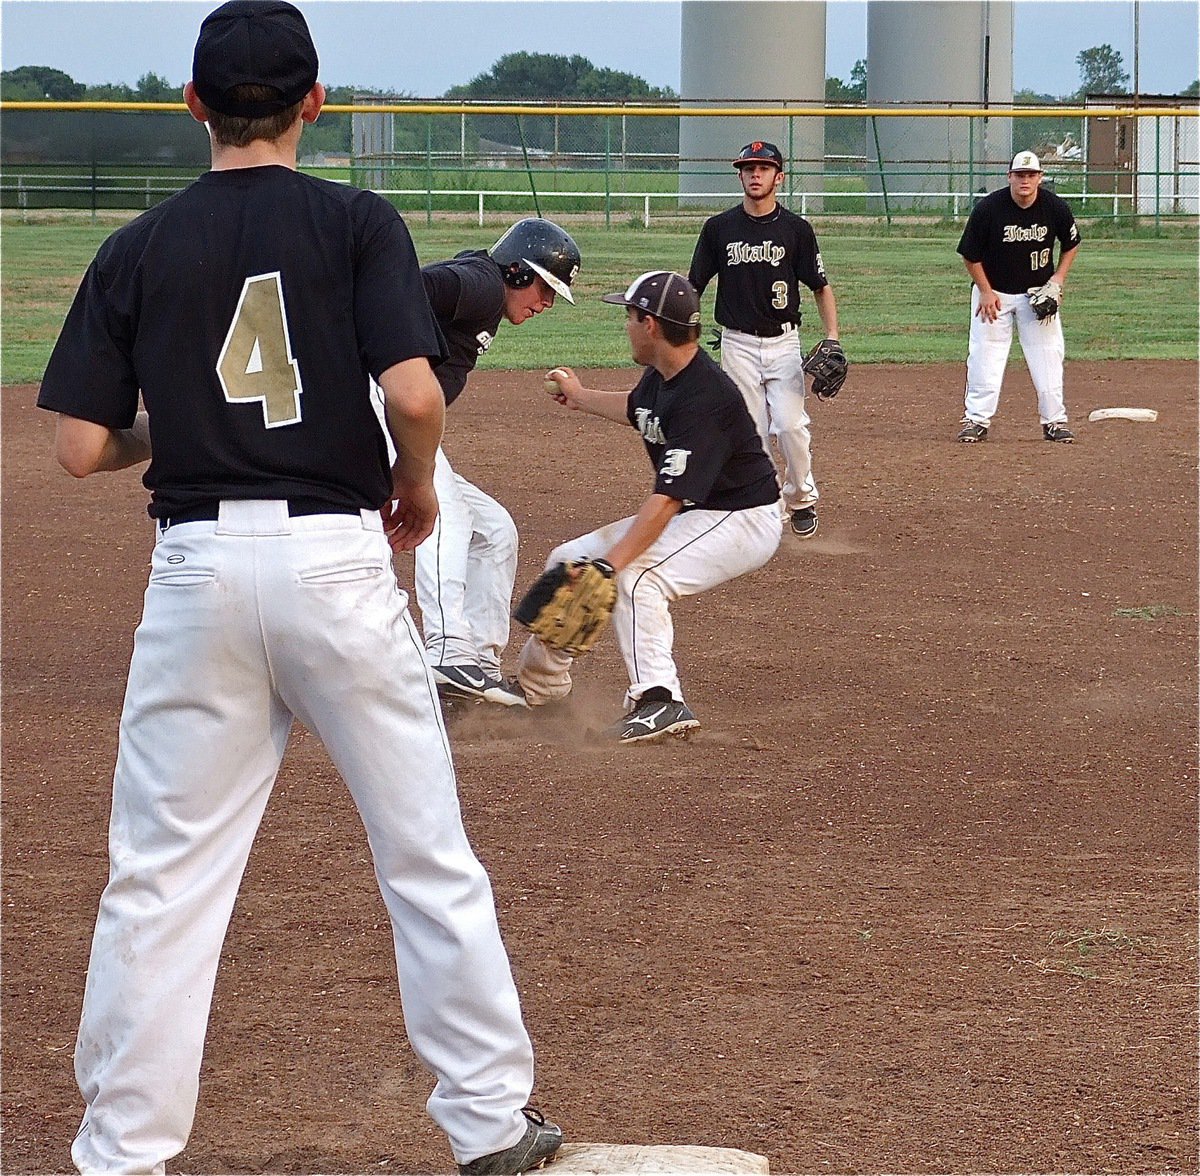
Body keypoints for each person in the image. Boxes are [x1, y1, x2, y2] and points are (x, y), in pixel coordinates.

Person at [36, 3, 561, 1173]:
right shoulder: (357, 221)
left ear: (192, 107)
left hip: (196, 566)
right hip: (334, 559)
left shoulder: (137, 245)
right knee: (423, 850)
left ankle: (122, 1150)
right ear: (315, 104)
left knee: (161, 879)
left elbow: (80, 446)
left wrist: (159, 435)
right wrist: (416, 493)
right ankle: (485, 1120)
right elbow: (417, 397)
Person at [519, 271, 782, 744]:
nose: (626, 324)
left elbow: (665, 502)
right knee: (567, 559)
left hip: (743, 518)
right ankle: (543, 691)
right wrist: (579, 397)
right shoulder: (665, 376)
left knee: (635, 575)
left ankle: (659, 699)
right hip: (702, 510)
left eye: (629, 315)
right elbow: (639, 409)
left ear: (651, 324)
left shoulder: (706, 396)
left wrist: (608, 565)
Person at [408, 219, 581, 709]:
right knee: (449, 515)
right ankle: (445, 648)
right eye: (545, 289)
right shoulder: (483, 284)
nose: (545, 304)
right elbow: (413, 285)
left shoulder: (485, 288)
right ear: (519, 273)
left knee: (495, 531)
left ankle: (478, 664)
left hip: (404, 419)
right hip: (384, 408)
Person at [688, 140, 842, 540]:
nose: (755, 175)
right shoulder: (718, 228)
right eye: (748, 168)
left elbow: (821, 287)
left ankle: (801, 498)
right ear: (739, 175)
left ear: (779, 177)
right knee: (751, 433)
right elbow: (694, 286)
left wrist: (832, 338)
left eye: (764, 168)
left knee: (791, 427)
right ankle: (765, 508)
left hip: (783, 344)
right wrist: (682, 336)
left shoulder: (796, 230)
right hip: (737, 344)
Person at [955, 150, 1082, 443]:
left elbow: (1072, 242)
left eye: (1031, 175)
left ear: (1040, 177)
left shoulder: (1055, 207)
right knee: (985, 358)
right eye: (1020, 174)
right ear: (1009, 176)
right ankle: (976, 421)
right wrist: (985, 291)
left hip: (1036, 297)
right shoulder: (989, 209)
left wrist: (1058, 279)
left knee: (1048, 357)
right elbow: (970, 255)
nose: (1025, 180)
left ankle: (1055, 421)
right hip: (994, 295)